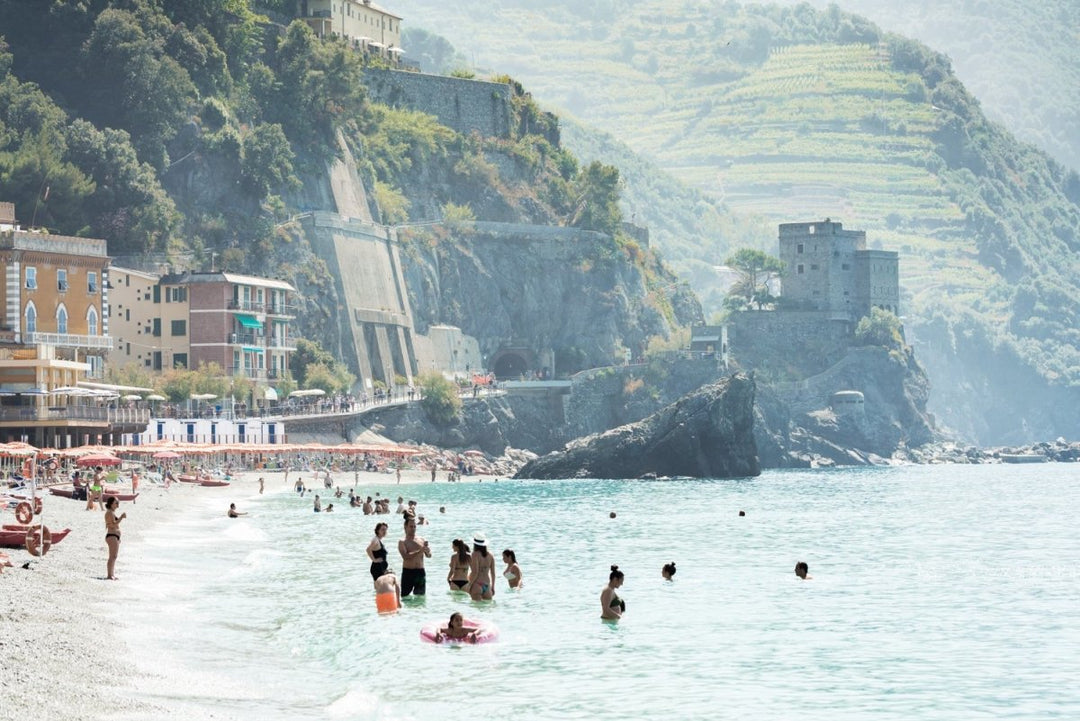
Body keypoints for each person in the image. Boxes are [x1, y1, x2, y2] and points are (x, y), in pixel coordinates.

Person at [104, 496, 127, 580]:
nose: (118, 505)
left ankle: (112, 574)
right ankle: (109, 575)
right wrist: (121, 517)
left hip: (115, 536)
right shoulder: (109, 513)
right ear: (111, 504)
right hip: (111, 536)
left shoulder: (112, 512)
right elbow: (113, 525)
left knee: (114, 556)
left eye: (118, 503)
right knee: (112, 556)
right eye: (116, 503)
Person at [468, 534, 496, 601]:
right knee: (486, 609)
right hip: (487, 585)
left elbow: (475, 572)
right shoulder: (490, 555)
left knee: (476, 609)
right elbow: (493, 573)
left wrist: (469, 586)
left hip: (477, 584)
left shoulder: (475, 554)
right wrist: (493, 587)